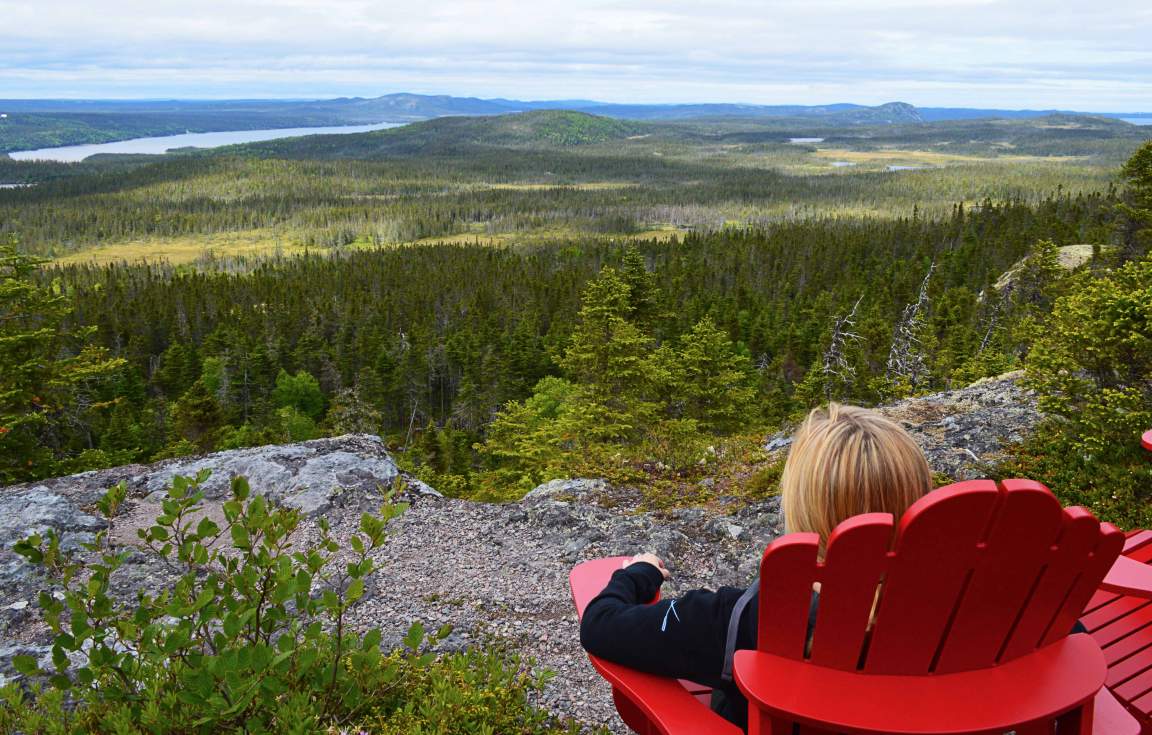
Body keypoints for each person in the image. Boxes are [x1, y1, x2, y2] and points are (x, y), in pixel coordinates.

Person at [579, 403, 935, 730]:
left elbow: (601, 624)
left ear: (801, 507)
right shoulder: (952, 613)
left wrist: (640, 572)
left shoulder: (743, 619)